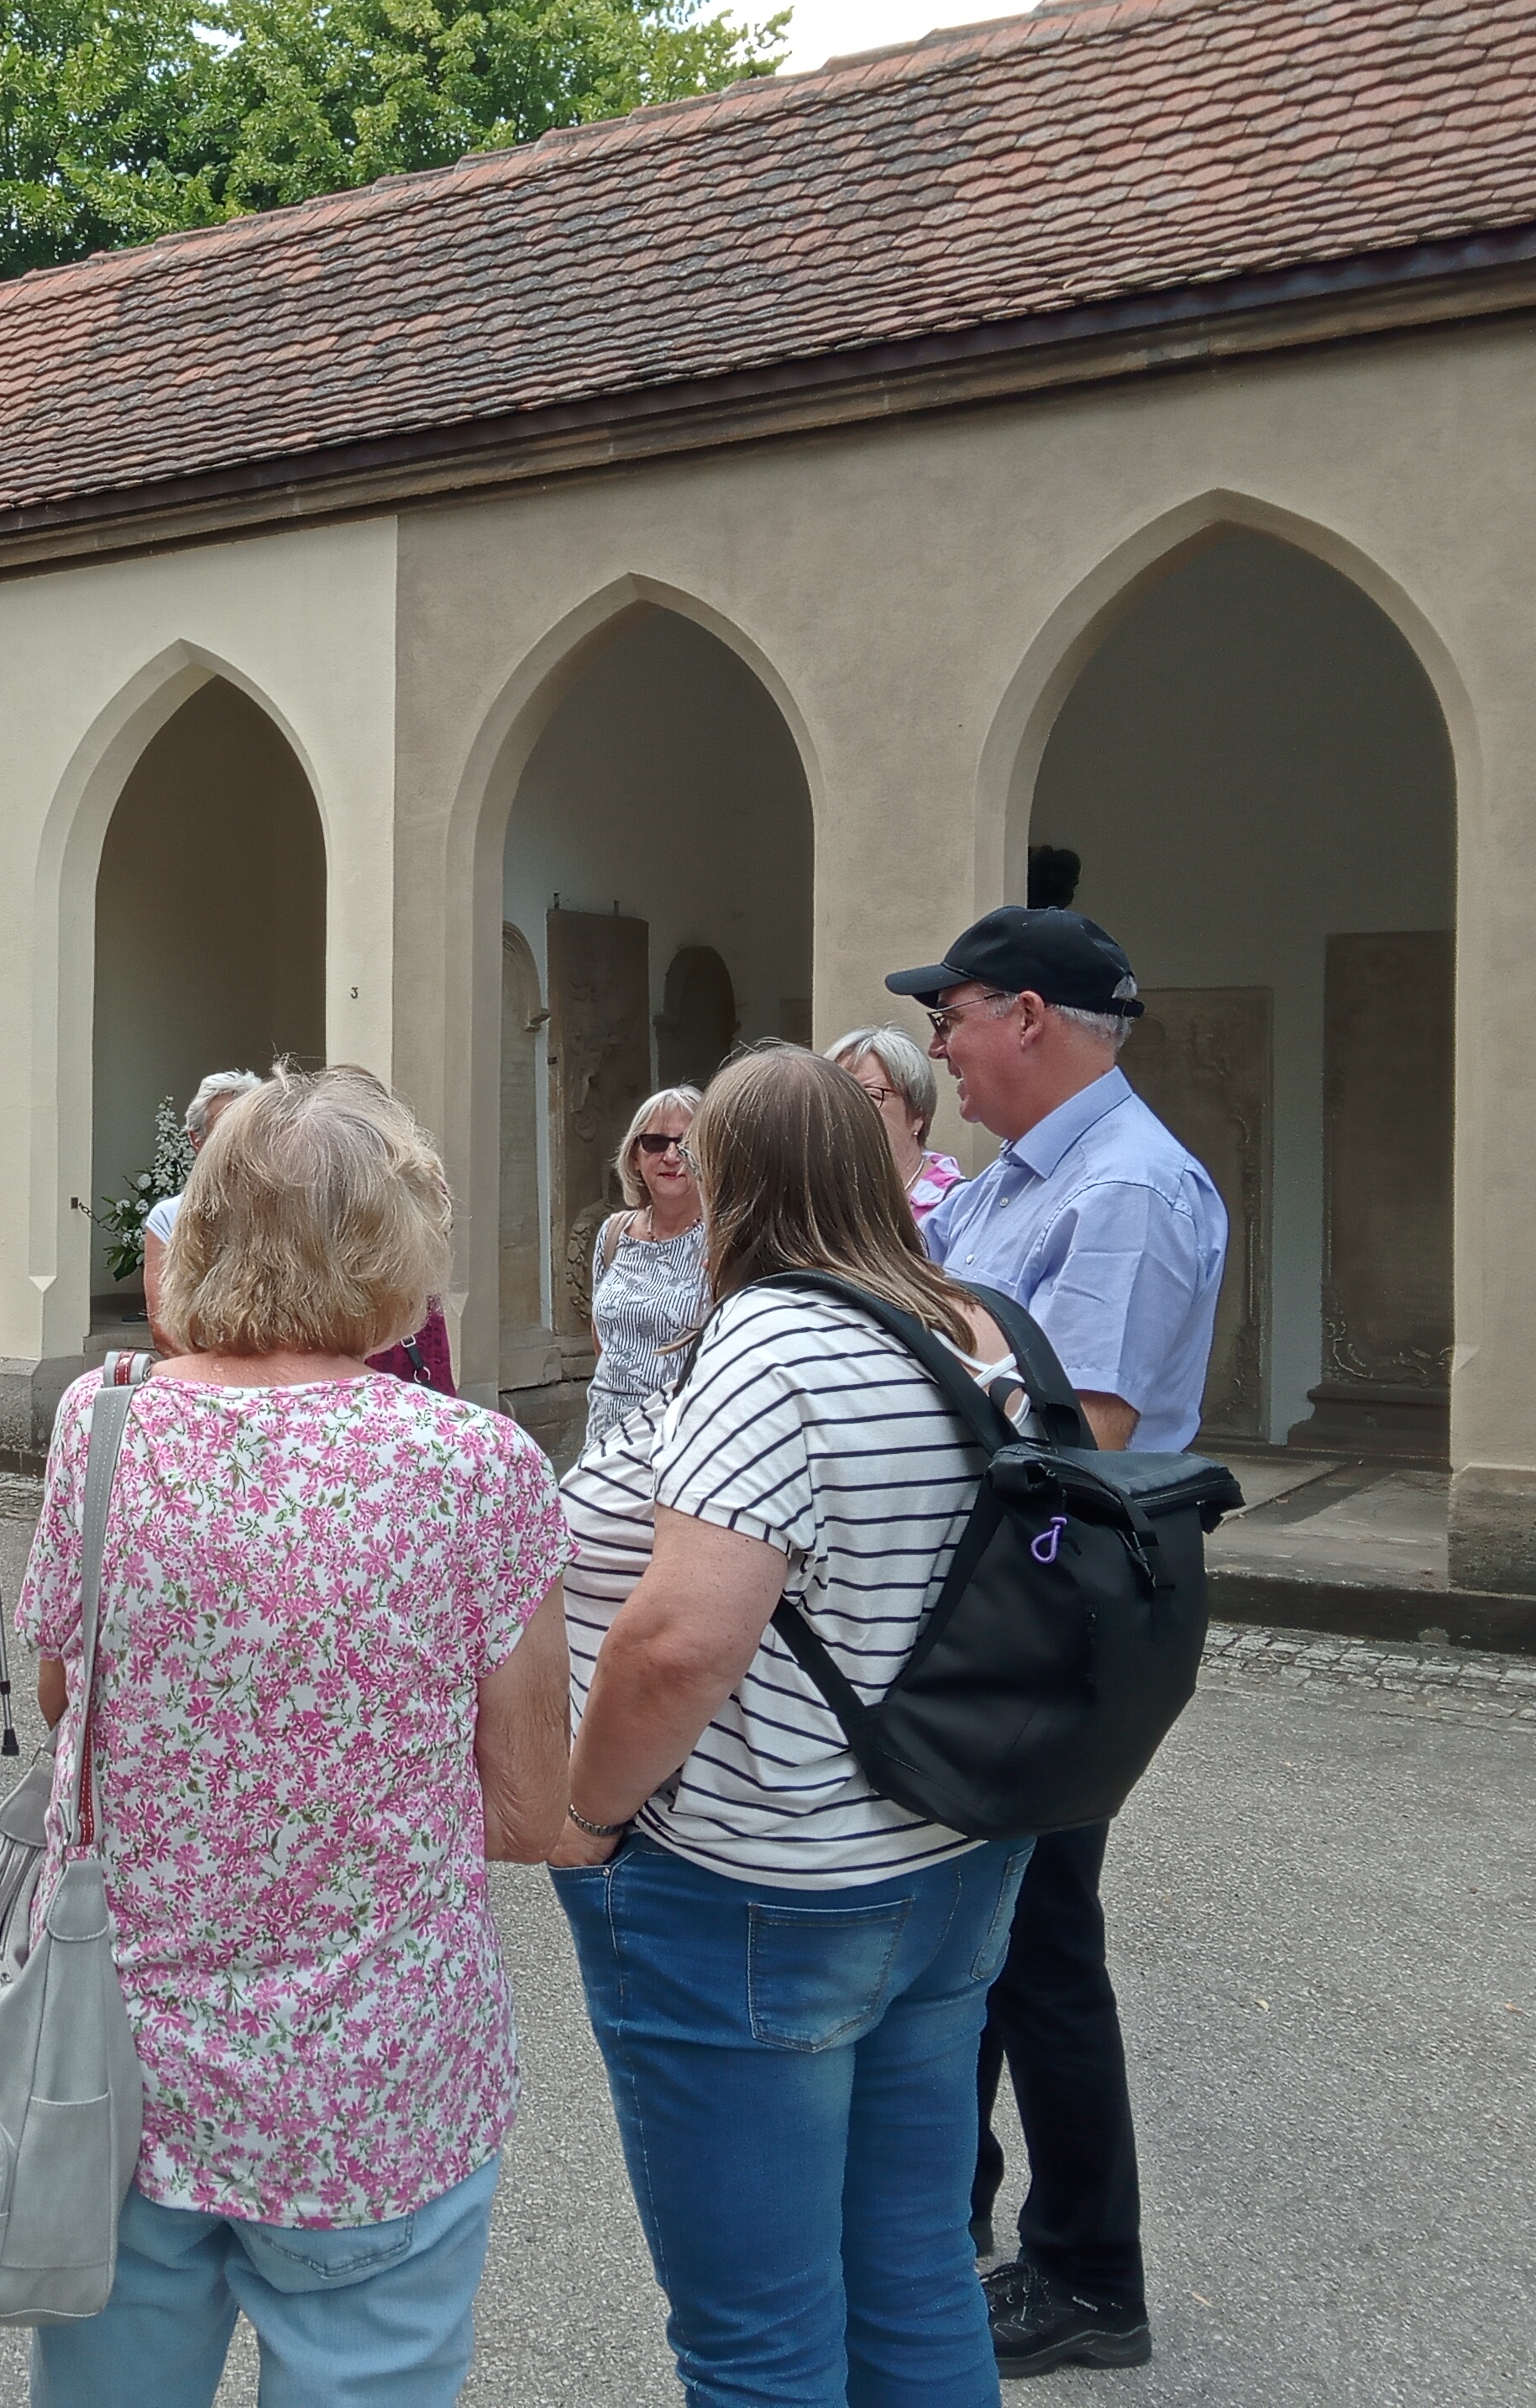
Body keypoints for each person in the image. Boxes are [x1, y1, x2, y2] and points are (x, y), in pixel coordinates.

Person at [23, 1066, 569, 2408]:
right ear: (401, 1245)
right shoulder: (475, 1463)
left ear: (201, 1228)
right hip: (372, 2074)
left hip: (117, 2061)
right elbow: (527, 1804)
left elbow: (60, 1702)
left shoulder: (103, 1424)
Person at [549, 1044, 1041, 2405]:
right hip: (944, 1854)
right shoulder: (959, 1323)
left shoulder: (774, 1339)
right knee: (917, 2270)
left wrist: (585, 1815)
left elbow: (683, 1638)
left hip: (761, 1885)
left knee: (758, 2332)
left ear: (736, 1176)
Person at [891, 907, 1226, 2378]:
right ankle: (942, 2216)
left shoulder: (1131, 1189)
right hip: (1002, 1589)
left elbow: (1078, 1429)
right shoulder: (1025, 1179)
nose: (940, 1046)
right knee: (981, 1928)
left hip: (1055, 1597)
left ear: (1026, 1015)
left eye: (952, 1015)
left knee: (1038, 1947)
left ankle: (1090, 2273)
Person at [581, 1083, 707, 1448]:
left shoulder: (724, 1242)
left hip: (681, 1439)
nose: (671, 1156)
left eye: (687, 1143)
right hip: (605, 1436)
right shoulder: (614, 1232)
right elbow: (601, 1339)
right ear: (635, 1156)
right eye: (655, 1143)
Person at [137, 1068, 260, 1353]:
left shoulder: (286, 1208)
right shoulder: (169, 1217)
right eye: (226, 1126)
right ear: (197, 1139)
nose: (239, 1138)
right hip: (199, 1376)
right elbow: (164, 1329)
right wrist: (217, 1383)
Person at [827, 1024, 964, 1227]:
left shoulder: (956, 1206)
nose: (848, 1108)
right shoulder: (823, 1194)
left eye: (871, 1095)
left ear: (918, 1113)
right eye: (835, 1095)